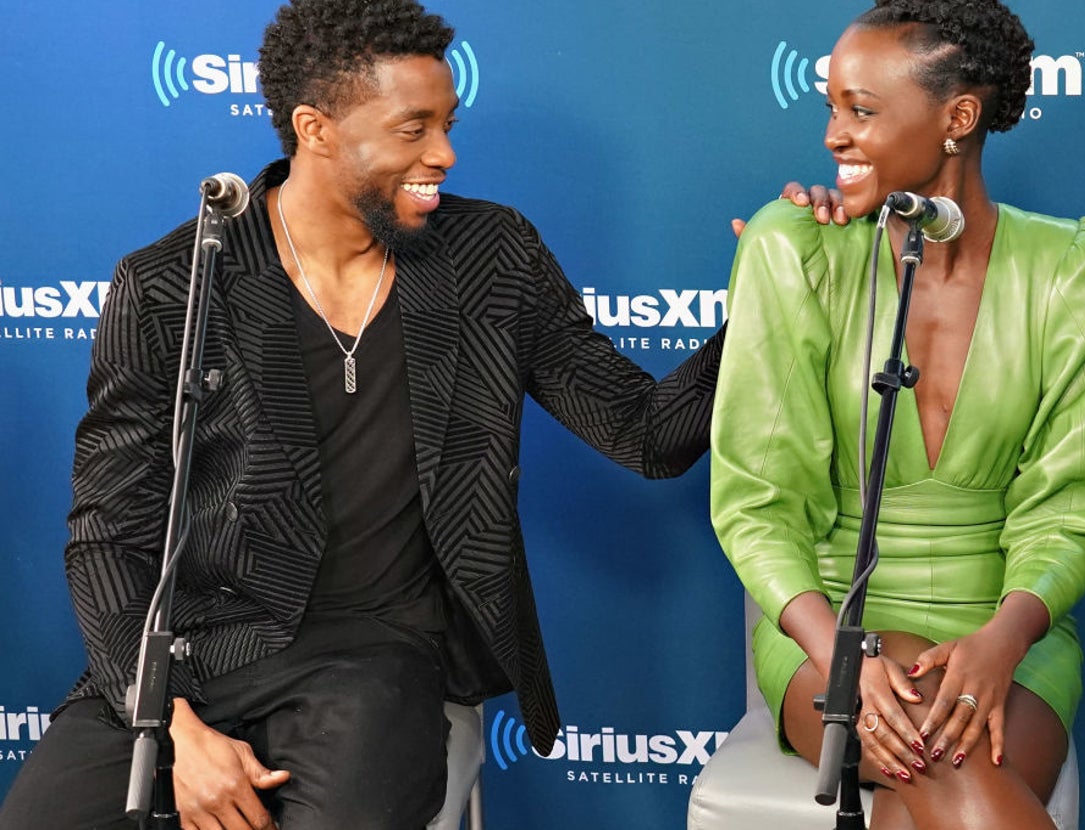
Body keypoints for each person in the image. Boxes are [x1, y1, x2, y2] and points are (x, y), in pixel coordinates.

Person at [0, 1, 724, 827]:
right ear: (316, 129)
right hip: (199, 651)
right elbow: (109, 532)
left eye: (447, 125)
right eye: (414, 129)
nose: (444, 154)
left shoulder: (489, 256)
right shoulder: (176, 283)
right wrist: (170, 725)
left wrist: (777, 297)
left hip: (377, 660)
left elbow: (647, 433)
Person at [709, 1, 1085, 827]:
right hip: (829, 627)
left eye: (862, 111)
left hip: (1011, 633)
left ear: (958, 118)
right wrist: (840, 654)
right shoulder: (793, 247)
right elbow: (756, 502)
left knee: (925, 792)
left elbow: (1077, 504)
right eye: (831, 108)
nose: (833, 135)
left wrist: (1001, 642)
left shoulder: (1079, 270)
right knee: (939, 749)